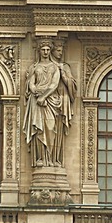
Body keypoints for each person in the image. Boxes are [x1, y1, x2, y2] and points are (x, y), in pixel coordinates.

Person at [22, 40, 64, 167]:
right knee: (38, 129)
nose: (45, 52)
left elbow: (54, 84)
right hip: (36, 100)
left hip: (50, 101)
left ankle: (50, 159)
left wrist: (44, 96)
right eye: (43, 50)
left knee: (51, 128)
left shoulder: (55, 67)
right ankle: (40, 158)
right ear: (39, 51)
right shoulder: (34, 67)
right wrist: (35, 92)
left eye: (47, 50)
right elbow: (31, 82)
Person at [50, 39, 77, 167]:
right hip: (49, 101)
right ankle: (48, 160)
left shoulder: (65, 67)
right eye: (58, 51)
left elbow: (71, 84)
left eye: (61, 51)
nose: (60, 53)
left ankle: (56, 159)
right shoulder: (47, 66)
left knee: (59, 131)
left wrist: (63, 75)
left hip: (62, 99)